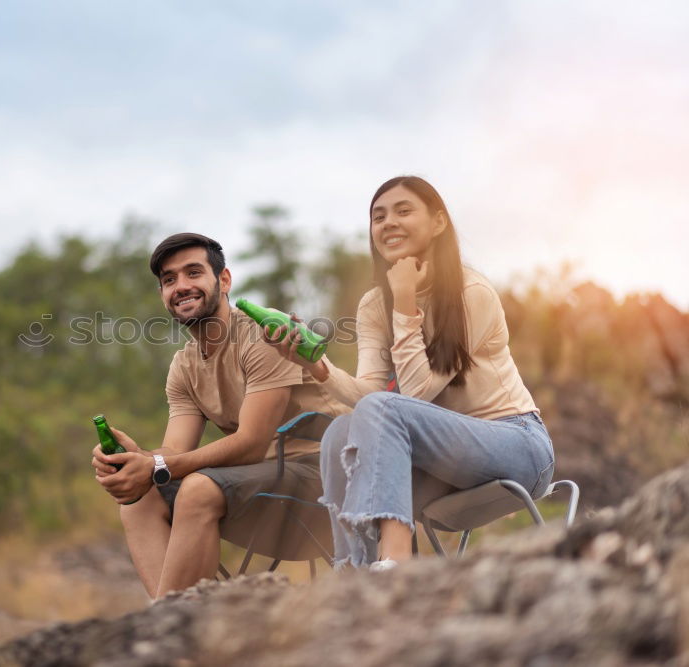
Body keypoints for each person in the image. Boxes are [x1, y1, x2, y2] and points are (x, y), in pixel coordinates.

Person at [266, 176, 555, 570]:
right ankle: (354, 569)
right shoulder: (373, 306)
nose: (388, 223)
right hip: (443, 463)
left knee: (383, 410)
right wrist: (316, 367)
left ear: (438, 222)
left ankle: (395, 563)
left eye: (404, 211)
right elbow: (370, 394)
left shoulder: (472, 293)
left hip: (516, 445)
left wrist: (404, 300)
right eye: (378, 216)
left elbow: (413, 397)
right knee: (340, 433)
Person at [91, 233, 351, 598]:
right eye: (169, 280)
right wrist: (139, 460)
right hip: (264, 491)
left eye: (193, 273)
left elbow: (250, 444)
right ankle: (170, 621)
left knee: (197, 488)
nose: (181, 286)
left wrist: (156, 466)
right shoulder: (184, 366)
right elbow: (174, 451)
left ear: (224, 280)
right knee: (139, 501)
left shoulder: (265, 334)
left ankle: (173, 627)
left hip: (329, 480)